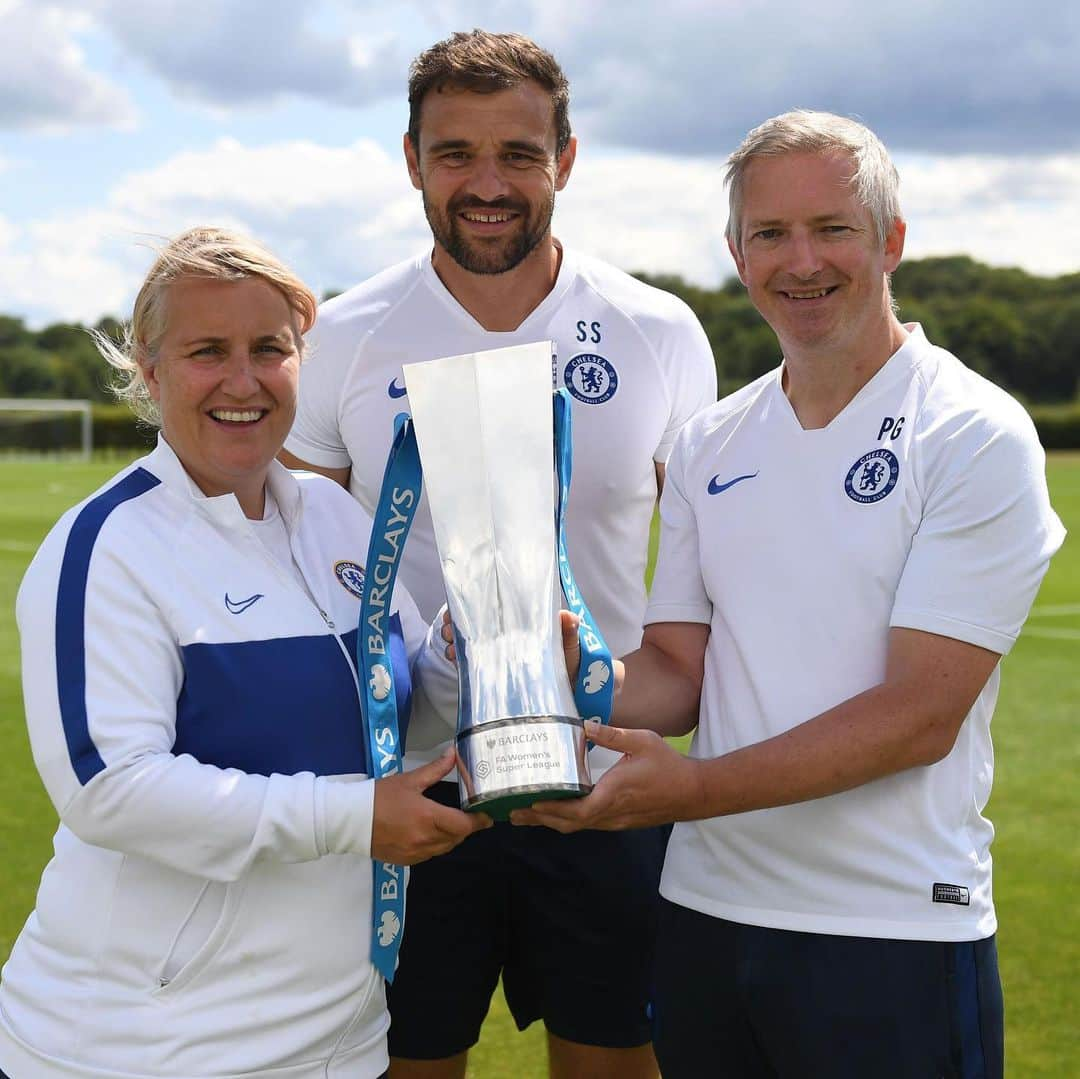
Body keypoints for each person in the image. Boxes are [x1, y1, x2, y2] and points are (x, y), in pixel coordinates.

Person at [513, 111, 1066, 1078]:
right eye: (770, 234)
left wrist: (689, 791)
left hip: (892, 924)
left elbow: (917, 717)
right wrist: (571, 668)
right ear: (736, 253)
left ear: (891, 240)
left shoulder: (974, 433)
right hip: (706, 919)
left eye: (833, 228)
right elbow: (678, 674)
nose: (800, 260)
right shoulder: (707, 443)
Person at [280, 29, 716, 1079]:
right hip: (412, 784)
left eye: (518, 154)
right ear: (411, 159)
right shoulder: (347, 332)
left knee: (614, 1062)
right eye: (455, 153)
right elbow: (299, 561)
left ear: (566, 159)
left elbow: (699, 589)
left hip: (604, 786)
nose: (487, 183)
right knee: (403, 1064)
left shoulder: (657, 331)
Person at [0, 227, 486, 1079]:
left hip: (339, 1033)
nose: (242, 380)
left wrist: (476, 644)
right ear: (149, 373)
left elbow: (407, 701)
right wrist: (356, 816)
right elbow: (111, 788)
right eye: (206, 351)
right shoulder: (106, 546)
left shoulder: (336, 520)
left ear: (302, 358)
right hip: (139, 1049)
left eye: (269, 348)